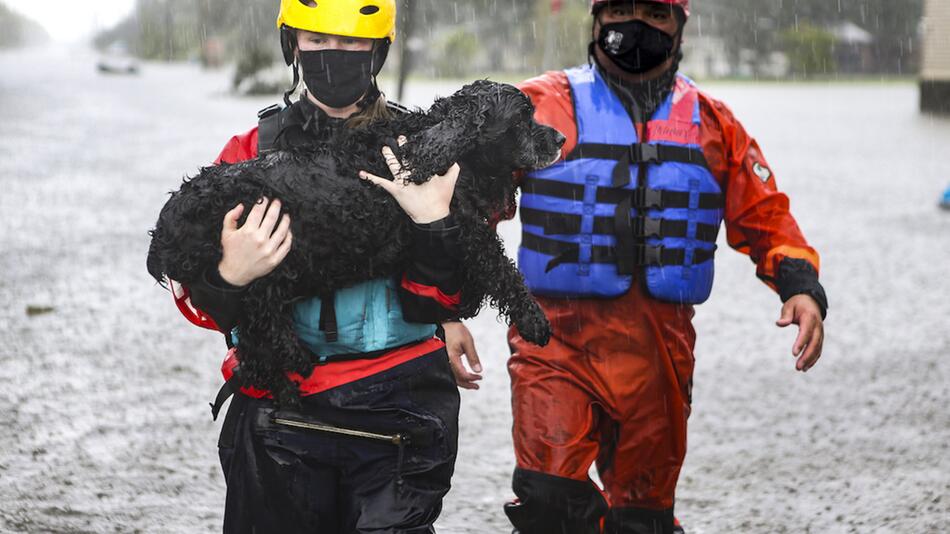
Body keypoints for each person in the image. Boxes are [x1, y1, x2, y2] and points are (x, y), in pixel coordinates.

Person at [445, 1, 829, 533]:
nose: (637, 26)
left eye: (655, 13)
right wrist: (445, 310)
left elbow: (764, 214)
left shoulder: (714, 124)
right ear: (598, 21)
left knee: (643, 519)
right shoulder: (536, 106)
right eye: (623, 10)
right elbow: (463, 204)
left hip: (661, 350)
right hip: (554, 338)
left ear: (679, 27)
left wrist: (800, 285)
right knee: (548, 502)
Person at [166, 1, 466, 532]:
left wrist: (435, 229)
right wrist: (229, 275)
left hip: (400, 404)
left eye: (352, 42)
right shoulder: (248, 152)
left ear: (378, 49)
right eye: (319, 41)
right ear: (292, 45)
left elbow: (449, 293)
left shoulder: (420, 148)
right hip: (280, 411)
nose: (335, 54)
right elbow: (195, 298)